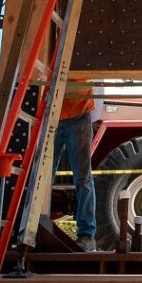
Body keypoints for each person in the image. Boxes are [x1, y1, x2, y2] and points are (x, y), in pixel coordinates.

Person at [53, 84, 97, 252]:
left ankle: (86, 235)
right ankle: (33, 228)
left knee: (83, 178)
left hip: (78, 113)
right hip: (54, 114)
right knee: (42, 180)